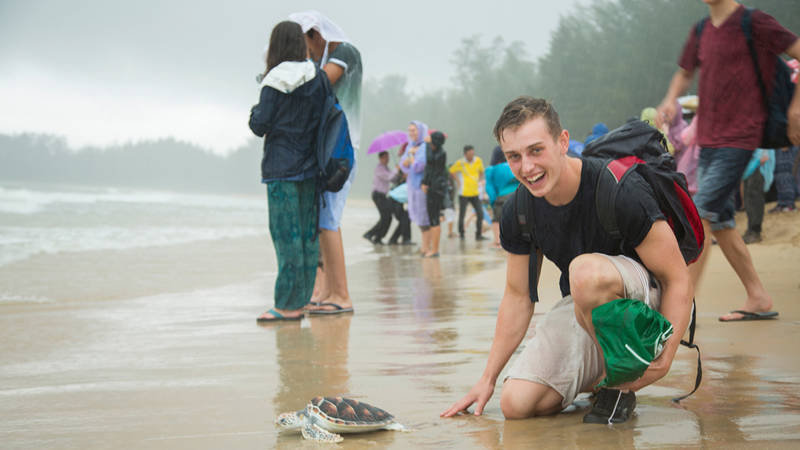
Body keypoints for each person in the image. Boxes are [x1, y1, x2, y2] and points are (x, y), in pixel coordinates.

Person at [442, 97, 693, 424]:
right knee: (517, 405)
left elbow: (677, 278)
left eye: (535, 150)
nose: (527, 167)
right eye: (514, 157)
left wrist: (667, 356)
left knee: (584, 272)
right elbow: (518, 297)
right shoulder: (519, 210)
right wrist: (487, 379)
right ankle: (603, 374)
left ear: (562, 142)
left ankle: (620, 386)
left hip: (646, 304)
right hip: (586, 306)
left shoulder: (619, 189)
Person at [655, 0, 800, 322]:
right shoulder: (702, 30)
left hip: (741, 136)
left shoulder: (755, 22)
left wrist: (794, 108)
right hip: (708, 137)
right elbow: (685, 72)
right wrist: (668, 99)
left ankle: (679, 312)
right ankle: (758, 296)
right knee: (719, 222)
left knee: (700, 217)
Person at [249, 21, 327, 322]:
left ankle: (286, 305)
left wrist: (254, 111)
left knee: (285, 237)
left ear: (276, 45)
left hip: (281, 168)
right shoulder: (317, 78)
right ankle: (302, 300)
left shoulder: (274, 80)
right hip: (311, 168)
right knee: (307, 236)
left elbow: (259, 125)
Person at [290, 11, 362, 315]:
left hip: (341, 148)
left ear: (317, 35)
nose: (306, 53)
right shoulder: (317, 61)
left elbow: (319, 84)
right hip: (326, 149)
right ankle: (327, 292)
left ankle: (342, 295)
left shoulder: (345, 51)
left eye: (306, 46)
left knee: (329, 221)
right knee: (323, 222)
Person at [401, 121, 432, 254]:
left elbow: (420, 166)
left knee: (424, 217)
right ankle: (424, 246)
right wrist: (408, 159)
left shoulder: (425, 147)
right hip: (412, 186)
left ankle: (426, 247)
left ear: (420, 131)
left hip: (422, 186)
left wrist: (412, 158)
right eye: (410, 130)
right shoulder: (410, 146)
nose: (411, 133)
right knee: (417, 216)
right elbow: (403, 165)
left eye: (414, 130)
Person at [449, 145, 486, 241]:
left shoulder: (478, 160)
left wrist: (478, 180)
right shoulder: (460, 163)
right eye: (469, 154)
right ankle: (461, 233)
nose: (471, 156)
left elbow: (481, 171)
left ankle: (478, 234)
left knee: (480, 213)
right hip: (463, 193)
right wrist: (458, 181)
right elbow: (451, 171)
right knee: (462, 214)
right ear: (465, 154)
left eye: (473, 153)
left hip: (475, 192)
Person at [421, 131, 448, 258]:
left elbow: (430, 162)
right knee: (434, 218)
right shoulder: (440, 152)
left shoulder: (440, 154)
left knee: (434, 219)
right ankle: (433, 248)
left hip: (435, 189)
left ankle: (435, 249)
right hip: (436, 188)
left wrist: (426, 145)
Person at [741, 149, 775, 244]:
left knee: (754, 200)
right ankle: (750, 230)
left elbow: (765, 151)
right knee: (748, 200)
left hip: (759, 166)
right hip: (749, 167)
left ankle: (755, 232)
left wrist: (760, 158)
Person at [484, 160, 519, 250]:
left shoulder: (491, 169)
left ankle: (497, 242)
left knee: (496, 220)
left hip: (502, 196)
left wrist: (493, 202)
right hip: (519, 194)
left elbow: (489, 188)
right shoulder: (515, 164)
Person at [363, 151, 394, 244]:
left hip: (383, 196)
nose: (388, 159)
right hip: (378, 195)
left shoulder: (386, 168)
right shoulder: (379, 168)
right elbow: (389, 177)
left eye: (388, 157)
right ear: (381, 158)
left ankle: (378, 237)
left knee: (387, 217)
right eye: (385, 157)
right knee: (386, 217)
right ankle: (370, 234)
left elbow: (393, 178)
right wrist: (397, 169)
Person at [770, 145, 799, 213]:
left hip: (791, 149)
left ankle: (790, 204)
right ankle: (781, 204)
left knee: (788, 178)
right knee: (779, 178)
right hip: (780, 148)